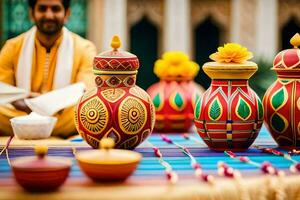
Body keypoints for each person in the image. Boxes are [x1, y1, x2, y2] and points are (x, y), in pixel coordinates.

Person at [0, 0, 97, 137]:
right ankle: (48, 129)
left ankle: (27, 129)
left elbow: (86, 92)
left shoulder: (85, 49)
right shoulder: (12, 47)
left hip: (60, 115)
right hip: (30, 116)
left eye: (55, 9)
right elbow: (4, 93)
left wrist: (31, 101)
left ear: (67, 13)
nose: (49, 15)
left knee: (86, 111)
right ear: (31, 13)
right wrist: (50, 101)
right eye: (42, 9)